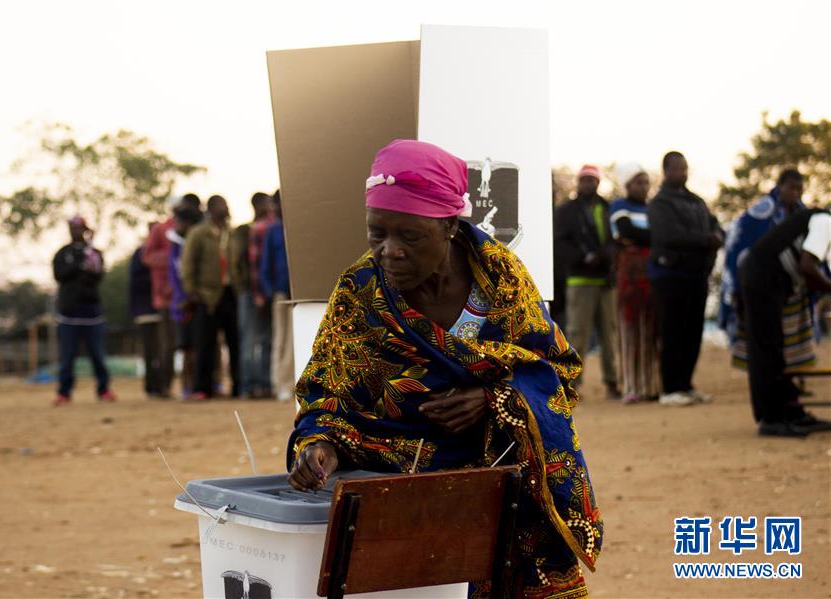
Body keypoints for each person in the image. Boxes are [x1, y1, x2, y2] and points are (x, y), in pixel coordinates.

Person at [287, 140, 602, 597]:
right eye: (378, 234)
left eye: (409, 237)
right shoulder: (360, 291)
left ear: (451, 226)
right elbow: (328, 392)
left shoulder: (501, 279)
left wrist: (492, 400)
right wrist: (321, 446)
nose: (389, 252)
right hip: (397, 479)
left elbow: (557, 371)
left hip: (495, 475)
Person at [738, 207, 831, 436]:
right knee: (766, 349)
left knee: (779, 348)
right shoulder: (825, 222)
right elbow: (807, 266)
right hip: (762, 277)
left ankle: (792, 412)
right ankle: (771, 418)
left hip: (774, 280)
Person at [647, 151, 723, 407]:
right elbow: (670, 235)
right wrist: (705, 240)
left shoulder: (696, 201)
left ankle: (686, 385)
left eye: (685, 168)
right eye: (678, 168)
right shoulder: (659, 203)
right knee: (673, 333)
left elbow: (715, 226)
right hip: (671, 276)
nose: (683, 173)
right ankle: (670, 389)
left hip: (697, 276)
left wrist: (716, 236)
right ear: (666, 171)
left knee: (693, 333)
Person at [721, 169, 815, 371]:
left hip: (794, 287)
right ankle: (767, 376)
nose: (796, 193)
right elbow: (740, 246)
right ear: (780, 186)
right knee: (765, 333)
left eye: (800, 189)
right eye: (792, 188)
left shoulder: (802, 214)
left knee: (792, 332)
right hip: (763, 287)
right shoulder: (759, 214)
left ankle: (793, 377)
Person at [553, 164, 620, 399]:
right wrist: (583, 258)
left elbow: (614, 240)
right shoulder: (567, 211)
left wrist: (604, 256)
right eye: (584, 180)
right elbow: (560, 243)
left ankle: (612, 383)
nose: (588, 184)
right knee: (577, 333)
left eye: (592, 180)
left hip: (605, 279)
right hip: (579, 279)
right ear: (578, 183)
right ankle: (572, 385)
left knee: (609, 334)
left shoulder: (606, 208)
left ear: (598, 182)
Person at [609, 162, 660, 404]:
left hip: (651, 273)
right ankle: (630, 385)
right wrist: (657, 237)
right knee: (630, 327)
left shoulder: (652, 208)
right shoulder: (620, 206)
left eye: (646, 182)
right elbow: (626, 231)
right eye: (639, 182)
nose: (644, 187)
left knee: (651, 327)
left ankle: (650, 384)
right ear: (628, 184)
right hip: (630, 275)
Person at [181, 194, 241, 400]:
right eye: (222, 205)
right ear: (212, 208)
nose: (226, 208)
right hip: (206, 295)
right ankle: (202, 388)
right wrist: (192, 291)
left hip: (229, 293)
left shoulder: (229, 233)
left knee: (235, 341)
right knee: (205, 342)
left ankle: (238, 386)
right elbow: (187, 263)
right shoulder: (199, 233)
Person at [52, 215, 116, 406]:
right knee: (67, 357)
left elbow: (97, 276)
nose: (75, 231)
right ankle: (64, 392)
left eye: (79, 227)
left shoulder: (94, 253)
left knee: (98, 355)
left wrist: (85, 263)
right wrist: (78, 264)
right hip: (68, 313)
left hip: (92, 313)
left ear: (85, 229)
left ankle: (103, 389)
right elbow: (60, 275)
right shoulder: (63, 253)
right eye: (72, 227)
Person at [143, 193, 201, 397]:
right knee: (167, 344)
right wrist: (170, 261)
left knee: (190, 343)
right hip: (166, 297)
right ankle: (164, 387)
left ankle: (191, 385)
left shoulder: (194, 227)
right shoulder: (161, 229)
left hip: (189, 295)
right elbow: (147, 256)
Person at [234, 192, 275, 399]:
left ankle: (263, 384)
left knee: (264, 339)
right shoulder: (254, 230)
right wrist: (259, 293)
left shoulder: (258, 229)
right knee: (251, 340)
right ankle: (250, 386)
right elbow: (252, 266)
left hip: (260, 292)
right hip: (252, 293)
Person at [259, 190, 294, 402]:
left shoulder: (295, 228)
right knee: (279, 338)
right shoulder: (273, 231)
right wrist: (270, 290)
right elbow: (266, 263)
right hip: (280, 292)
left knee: (291, 341)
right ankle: (278, 382)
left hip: (295, 291)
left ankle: (288, 383)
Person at [168, 205, 202, 399]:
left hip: (197, 301)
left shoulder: (193, 241)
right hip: (181, 305)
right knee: (185, 347)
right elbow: (174, 275)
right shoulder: (175, 246)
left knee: (199, 346)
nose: (175, 225)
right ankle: (185, 386)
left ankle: (199, 384)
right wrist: (183, 297)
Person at [129, 227, 164, 398]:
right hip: (146, 311)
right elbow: (135, 284)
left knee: (162, 350)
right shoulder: (140, 254)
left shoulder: (162, 253)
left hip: (163, 308)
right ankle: (152, 387)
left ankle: (162, 385)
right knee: (151, 351)